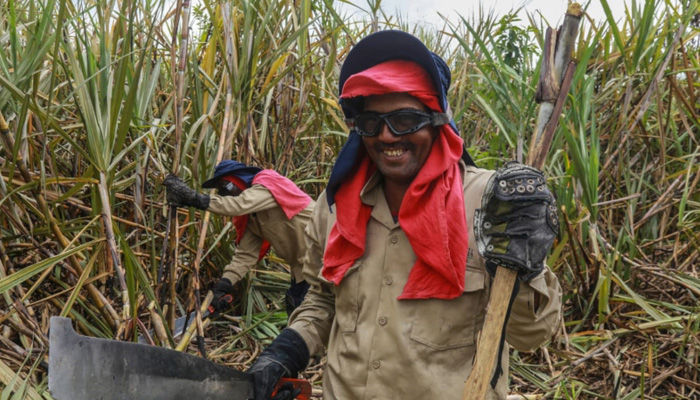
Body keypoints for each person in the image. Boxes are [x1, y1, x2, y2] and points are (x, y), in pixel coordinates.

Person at [245, 30, 563, 400]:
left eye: (405, 120)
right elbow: (323, 299)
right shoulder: (335, 208)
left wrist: (527, 265)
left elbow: (531, 336)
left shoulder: (493, 205)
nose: (386, 136)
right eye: (371, 124)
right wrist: (285, 352)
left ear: (436, 120)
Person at [163, 160, 314, 316]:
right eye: (221, 192)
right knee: (297, 312)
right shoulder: (251, 219)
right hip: (303, 269)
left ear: (239, 180)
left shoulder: (268, 185)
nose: (225, 194)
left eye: (225, 187)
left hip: (324, 255)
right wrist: (223, 286)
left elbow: (238, 204)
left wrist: (193, 198)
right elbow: (245, 256)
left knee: (310, 316)